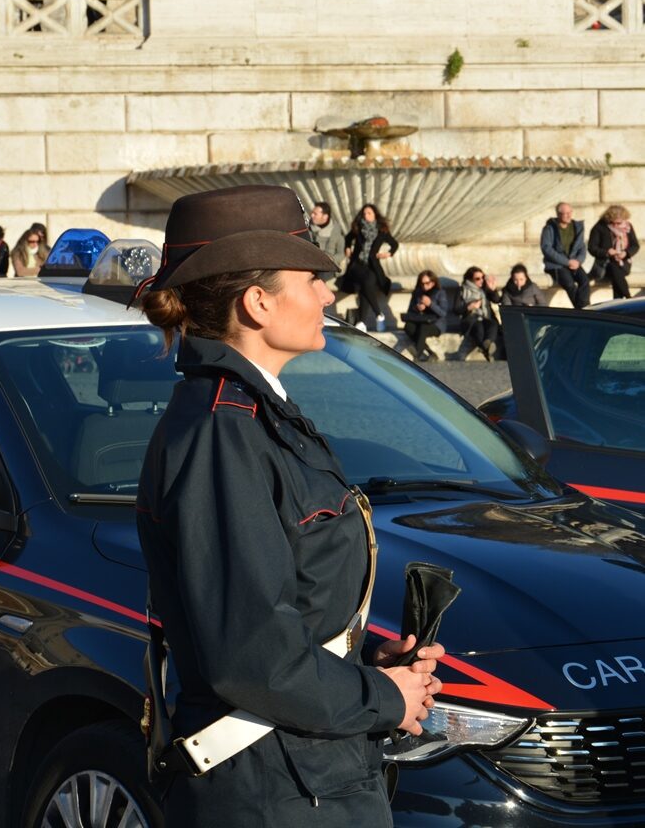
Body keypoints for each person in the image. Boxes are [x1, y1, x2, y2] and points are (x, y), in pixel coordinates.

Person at [135, 184, 444, 828]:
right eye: (312, 279)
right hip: (275, 791)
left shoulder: (253, 417)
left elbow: (281, 609)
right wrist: (382, 696)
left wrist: (359, 660)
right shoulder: (224, 432)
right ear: (257, 303)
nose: (329, 295)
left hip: (306, 773)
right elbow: (249, 653)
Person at [341, 203, 399, 331]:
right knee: (366, 282)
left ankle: (361, 322)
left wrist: (388, 254)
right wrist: (347, 248)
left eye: (369, 213)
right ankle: (378, 314)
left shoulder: (382, 230)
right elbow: (348, 238)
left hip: (372, 265)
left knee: (365, 286)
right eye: (364, 213)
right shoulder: (358, 227)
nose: (366, 216)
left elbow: (394, 244)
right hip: (357, 264)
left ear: (375, 215)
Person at [540, 202, 590, 309]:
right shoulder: (549, 228)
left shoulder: (577, 227)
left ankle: (585, 308)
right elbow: (546, 249)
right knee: (569, 284)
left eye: (570, 212)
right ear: (558, 214)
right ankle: (582, 310)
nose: (568, 215)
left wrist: (578, 261)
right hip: (556, 265)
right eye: (565, 213)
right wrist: (566, 262)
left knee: (585, 280)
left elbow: (582, 247)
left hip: (574, 263)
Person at [588, 205, 640, 299]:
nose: (616, 226)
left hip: (623, 263)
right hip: (604, 264)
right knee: (614, 269)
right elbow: (592, 248)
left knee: (616, 274)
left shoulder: (627, 227)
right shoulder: (599, 227)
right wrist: (607, 252)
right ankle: (628, 297)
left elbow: (635, 245)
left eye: (618, 223)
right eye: (613, 223)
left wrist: (625, 253)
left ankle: (620, 302)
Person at [400, 269, 448, 361]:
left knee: (423, 328)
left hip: (436, 324)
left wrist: (430, 304)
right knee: (408, 327)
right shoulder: (417, 293)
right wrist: (417, 308)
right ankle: (429, 351)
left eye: (427, 283)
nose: (424, 286)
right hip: (420, 320)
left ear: (433, 282)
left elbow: (443, 313)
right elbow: (410, 311)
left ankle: (417, 354)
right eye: (422, 283)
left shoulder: (440, 293)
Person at [455, 266, 501, 361]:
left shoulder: (484, 289)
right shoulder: (462, 290)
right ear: (470, 279)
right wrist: (469, 307)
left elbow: (496, 300)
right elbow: (456, 309)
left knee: (493, 324)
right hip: (470, 319)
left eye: (482, 277)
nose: (481, 280)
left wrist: (493, 290)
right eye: (477, 278)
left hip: (486, 318)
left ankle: (487, 343)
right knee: (478, 327)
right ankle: (486, 349)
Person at [309, 200, 346, 279]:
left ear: (325, 216)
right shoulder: (308, 228)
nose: (311, 215)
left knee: (319, 277)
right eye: (312, 213)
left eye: (315, 214)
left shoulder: (336, 232)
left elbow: (341, 254)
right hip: (310, 261)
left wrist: (331, 258)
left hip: (327, 265)